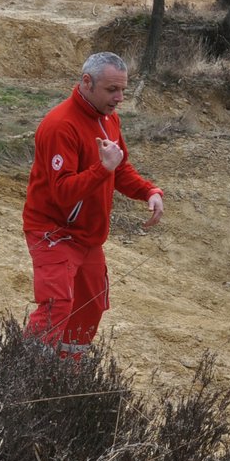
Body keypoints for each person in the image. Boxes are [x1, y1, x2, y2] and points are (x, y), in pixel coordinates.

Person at [22, 52, 165, 357]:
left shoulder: (109, 118)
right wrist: (103, 169)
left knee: (91, 306)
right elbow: (63, 193)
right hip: (53, 232)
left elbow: (120, 168)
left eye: (123, 90)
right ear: (87, 82)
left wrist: (149, 192)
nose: (120, 98)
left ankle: (67, 375)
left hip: (88, 236)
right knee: (56, 305)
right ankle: (21, 371)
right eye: (112, 90)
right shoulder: (60, 126)